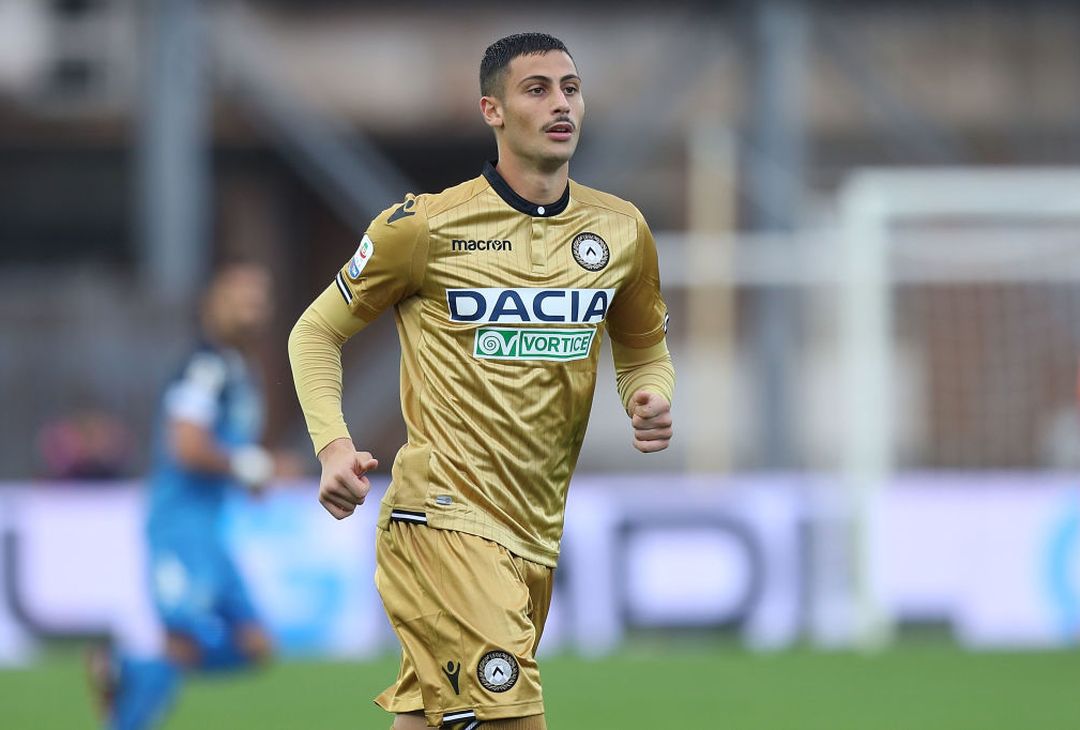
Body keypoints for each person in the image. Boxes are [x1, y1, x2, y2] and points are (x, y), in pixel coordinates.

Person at [289, 32, 675, 730]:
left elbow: (644, 346)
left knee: (432, 717)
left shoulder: (621, 231)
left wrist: (649, 396)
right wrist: (332, 447)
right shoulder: (425, 228)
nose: (561, 104)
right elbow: (315, 332)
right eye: (537, 89)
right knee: (511, 718)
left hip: (533, 531)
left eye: (571, 88)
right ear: (492, 111)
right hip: (441, 516)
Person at [89, 262, 284, 730]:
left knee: (255, 646)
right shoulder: (204, 367)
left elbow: (227, 453)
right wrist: (248, 465)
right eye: (240, 299)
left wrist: (251, 475)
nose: (251, 310)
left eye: (259, 300)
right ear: (212, 305)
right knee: (181, 643)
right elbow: (187, 445)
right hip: (180, 526)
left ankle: (125, 669)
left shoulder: (242, 371)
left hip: (211, 531)